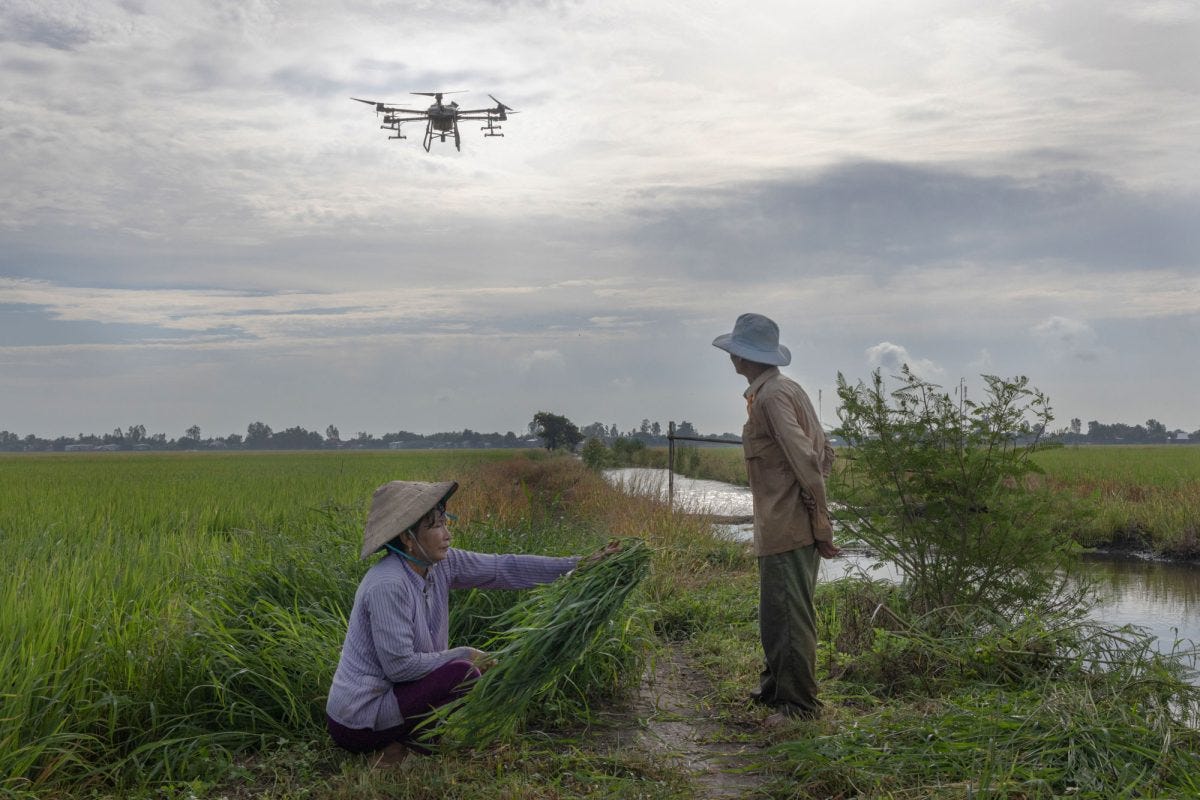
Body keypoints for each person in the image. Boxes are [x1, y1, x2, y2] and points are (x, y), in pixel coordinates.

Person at [326, 479, 600, 766]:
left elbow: (503, 567)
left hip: (394, 701)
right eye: (436, 526)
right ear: (408, 537)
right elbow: (400, 667)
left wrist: (578, 566)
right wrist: (465, 654)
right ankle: (395, 752)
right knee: (462, 672)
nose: (447, 534)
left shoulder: (441, 564)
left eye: (446, 522)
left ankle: (410, 747)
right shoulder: (388, 584)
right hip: (360, 719)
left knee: (459, 672)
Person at [712, 312, 839, 724]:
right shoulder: (782, 390)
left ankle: (798, 706)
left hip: (788, 525)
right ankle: (775, 689)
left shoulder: (770, 396)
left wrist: (820, 521)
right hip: (781, 522)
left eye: (735, 351)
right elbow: (825, 452)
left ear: (742, 357)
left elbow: (807, 457)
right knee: (775, 614)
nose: (732, 358)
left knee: (788, 616)